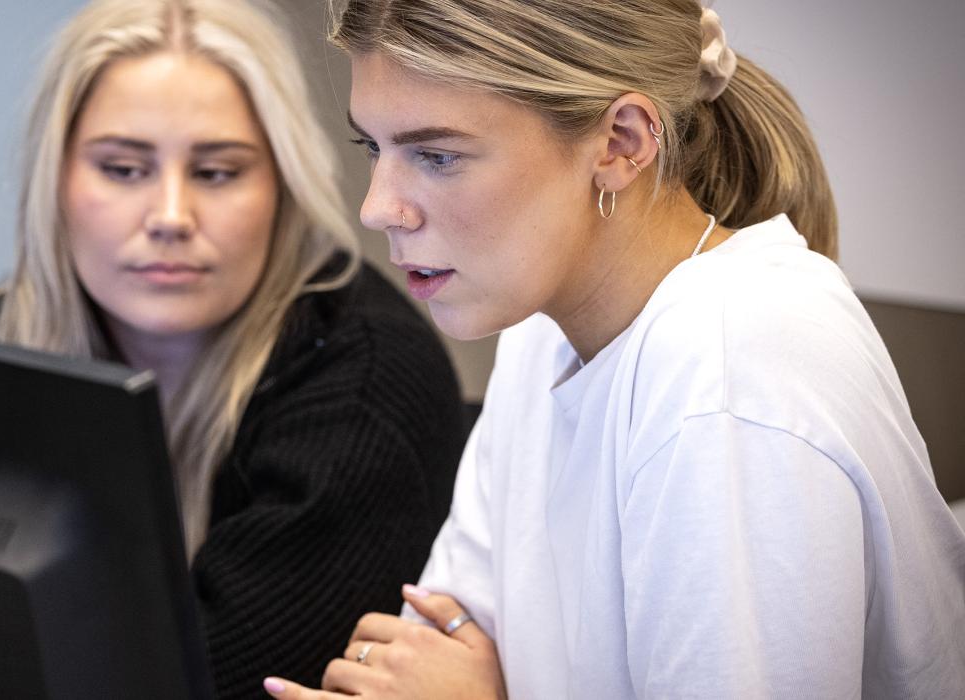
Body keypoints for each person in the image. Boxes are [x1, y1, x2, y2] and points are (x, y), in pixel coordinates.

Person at [265, 1, 965, 698]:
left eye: (437, 156)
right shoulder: (540, 333)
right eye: (373, 148)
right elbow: (430, 649)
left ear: (622, 143)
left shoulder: (733, 373)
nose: (378, 207)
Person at [0, 0, 468, 696]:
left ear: (282, 186)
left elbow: (185, 684)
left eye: (216, 173)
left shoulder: (369, 383)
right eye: (124, 169)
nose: (170, 218)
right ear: (57, 183)